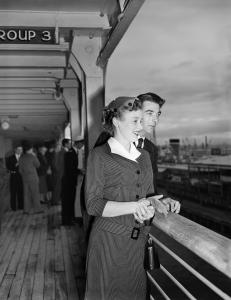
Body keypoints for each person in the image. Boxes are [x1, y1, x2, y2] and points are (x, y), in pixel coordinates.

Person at [84, 97, 156, 300]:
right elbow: (93, 204)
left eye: (141, 121)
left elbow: (147, 194)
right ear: (116, 121)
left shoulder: (144, 156)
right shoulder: (100, 155)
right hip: (108, 243)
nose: (140, 127)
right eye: (134, 121)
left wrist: (156, 204)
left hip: (136, 245)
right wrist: (136, 206)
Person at [137, 92, 180, 212]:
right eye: (149, 113)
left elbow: (151, 188)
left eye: (158, 114)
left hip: (140, 224)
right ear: (135, 113)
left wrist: (161, 199)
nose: (156, 120)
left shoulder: (151, 148)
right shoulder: (111, 142)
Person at [19, 142, 43, 214]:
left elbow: (20, 170)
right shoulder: (32, 156)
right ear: (30, 149)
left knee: (26, 194)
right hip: (33, 178)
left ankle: (26, 210)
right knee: (35, 194)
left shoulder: (21, 157)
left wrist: (24, 176)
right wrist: (35, 156)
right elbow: (38, 165)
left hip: (25, 178)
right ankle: (37, 209)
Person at [6, 145, 24, 210]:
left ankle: (21, 206)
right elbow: (8, 168)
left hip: (21, 177)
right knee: (13, 192)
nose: (20, 151)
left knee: (21, 192)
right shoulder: (10, 158)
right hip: (13, 176)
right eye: (19, 149)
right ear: (15, 150)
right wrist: (15, 165)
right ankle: (13, 208)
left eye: (21, 150)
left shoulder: (23, 157)